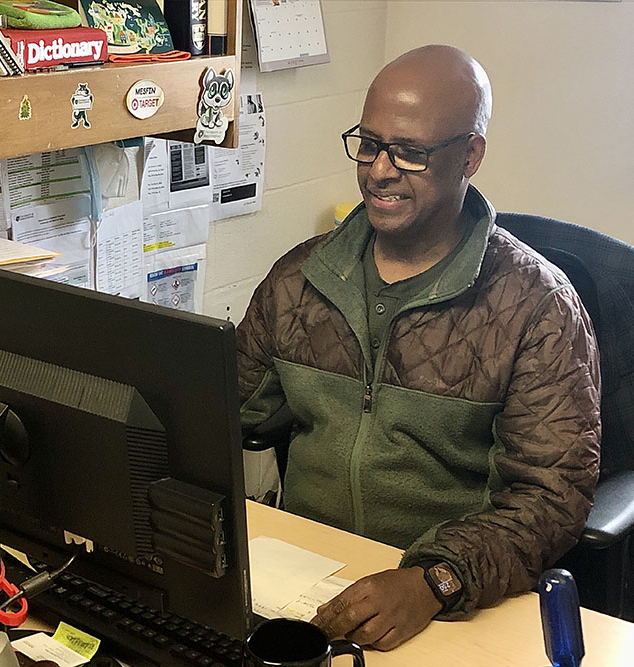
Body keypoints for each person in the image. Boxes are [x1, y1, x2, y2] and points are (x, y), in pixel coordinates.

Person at [236, 45, 601, 650]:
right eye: (370, 143)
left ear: (470, 156)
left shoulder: (537, 306)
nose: (380, 170)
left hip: (450, 601)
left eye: (410, 152)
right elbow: (220, 408)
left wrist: (435, 581)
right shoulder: (300, 277)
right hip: (302, 581)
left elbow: (550, 497)